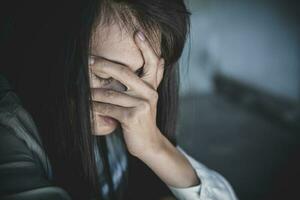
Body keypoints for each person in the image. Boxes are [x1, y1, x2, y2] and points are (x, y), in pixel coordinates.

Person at [0, 0, 238, 199]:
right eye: (105, 75)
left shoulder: (136, 116)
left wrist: (155, 147)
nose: (129, 97)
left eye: (139, 74)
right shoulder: (9, 134)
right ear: (53, 50)